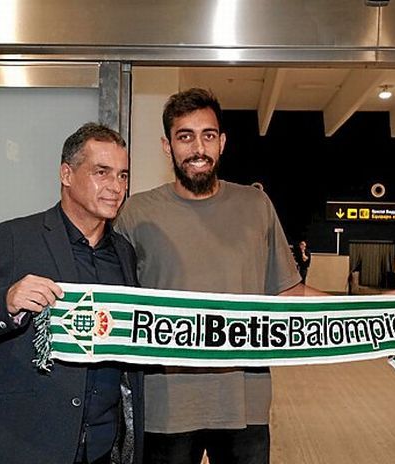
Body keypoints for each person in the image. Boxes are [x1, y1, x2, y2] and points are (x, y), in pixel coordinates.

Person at [115, 88, 326, 464]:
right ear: (167, 146)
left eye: (208, 135)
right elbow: (112, 301)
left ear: (222, 142)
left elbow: (289, 293)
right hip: (168, 408)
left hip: (244, 403)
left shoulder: (256, 205)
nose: (198, 148)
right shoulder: (136, 213)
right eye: (185, 136)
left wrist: (376, 308)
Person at [0, 123, 144, 464]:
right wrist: (6, 302)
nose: (116, 187)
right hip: (26, 444)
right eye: (101, 172)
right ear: (66, 173)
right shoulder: (16, 238)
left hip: (106, 448)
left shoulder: (124, 252)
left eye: (123, 175)